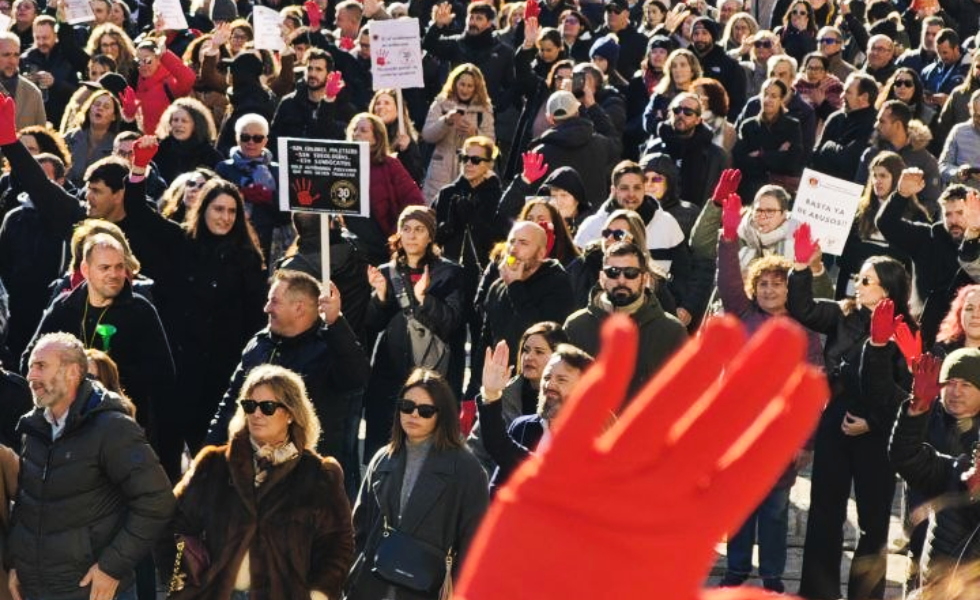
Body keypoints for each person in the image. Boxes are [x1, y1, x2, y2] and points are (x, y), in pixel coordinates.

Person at [162, 364, 353, 600]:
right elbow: (173, 525)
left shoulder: (319, 474)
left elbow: (337, 544)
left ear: (291, 413)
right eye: (249, 405)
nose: (256, 414)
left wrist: (319, 594)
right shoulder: (214, 464)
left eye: (268, 407)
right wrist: (185, 580)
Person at [9, 332, 174, 600]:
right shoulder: (33, 428)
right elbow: (28, 503)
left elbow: (157, 500)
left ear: (73, 372)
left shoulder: (113, 428)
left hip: (95, 592)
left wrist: (112, 567)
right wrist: (17, 564)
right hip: (39, 589)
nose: (30, 377)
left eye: (41, 366)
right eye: (30, 368)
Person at [790, 245, 914, 600]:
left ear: (887, 290)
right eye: (858, 278)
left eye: (866, 281)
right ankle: (817, 592)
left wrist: (872, 423)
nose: (857, 285)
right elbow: (804, 309)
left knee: (874, 523)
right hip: (837, 417)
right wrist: (802, 268)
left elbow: (905, 391)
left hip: (879, 430)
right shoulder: (844, 313)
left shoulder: (906, 328)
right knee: (824, 512)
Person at [715, 196, 822, 593]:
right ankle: (737, 568)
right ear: (752, 288)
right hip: (738, 431)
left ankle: (773, 575)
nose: (770, 289)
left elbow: (812, 384)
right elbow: (727, 279)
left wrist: (805, 440)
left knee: (775, 510)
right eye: (763, 283)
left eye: (778, 283)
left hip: (781, 434)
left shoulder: (803, 329)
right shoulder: (742, 315)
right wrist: (728, 238)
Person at [206, 269, 370, 499]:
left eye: (274, 301)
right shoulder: (259, 344)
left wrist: (336, 323)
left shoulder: (329, 348)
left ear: (299, 307)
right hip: (254, 476)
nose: (266, 308)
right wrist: (209, 453)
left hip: (308, 484)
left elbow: (356, 377)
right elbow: (231, 404)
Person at [347, 369, 490, 600]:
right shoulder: (383, 457)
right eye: (407, 406)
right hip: (371, 586)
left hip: (428, 589)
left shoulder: (467, 470)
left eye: (425, 411)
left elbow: (475, 544)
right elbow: (359, 528)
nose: (414, 415)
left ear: (442, 415)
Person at [170, 179, 267, 463]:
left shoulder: (247, 258)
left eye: (232, 211)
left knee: (213, 448)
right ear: (203, 209)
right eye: (218, 209)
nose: (225, 217)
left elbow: (254, 319)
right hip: (182, 363)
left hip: (223, 368)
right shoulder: (183, 244)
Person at [363, 206, 465, 463]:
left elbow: (452, 322)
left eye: (419, 230)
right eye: (406, 229)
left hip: (434, 374)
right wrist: (380, 296)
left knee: (431, 449)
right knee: (388, 450)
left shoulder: (449, 272)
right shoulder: (386, 271)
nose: (411, 236)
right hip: (391, 374)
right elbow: (372, 325)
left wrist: (423, 299)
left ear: (430, 236)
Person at [888, 350, 980, 595]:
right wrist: (916, 409)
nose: (956, 391)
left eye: (966, 385)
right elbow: (907, 458)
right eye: (950, 383)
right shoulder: (956, 471)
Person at [564, 240, 686, 395]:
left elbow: (684, 394)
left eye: (631, 273)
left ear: (645, 279)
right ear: (602, 278)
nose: (621, 280)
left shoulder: (671, 331)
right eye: (613, 272)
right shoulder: (576, 326)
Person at [466, 321, 567, 475]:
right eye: (525, 350)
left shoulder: (570, 401)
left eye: (539, 352)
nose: (528, 357)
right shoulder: (502, 394)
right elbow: (476, 450)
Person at [345, 113, 425, 265]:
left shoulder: (390, 165)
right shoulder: (343, 165)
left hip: (381, 246)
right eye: (354, 130)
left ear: (377, 138)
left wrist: (397, 235)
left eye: (363, 130)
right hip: (350, 247)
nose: (356, 134)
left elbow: (415, 202)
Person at [529, 90, 620, 211]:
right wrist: (592, 106)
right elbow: (615, 141)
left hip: (557, 223)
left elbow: (531, 196)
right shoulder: (601, 143)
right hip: (593, 223)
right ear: (577, 112)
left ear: (549, 118)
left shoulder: (539, 153)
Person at [215, 113, 287, 264]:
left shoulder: (278, 171)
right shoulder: (224, 168)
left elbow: (286, 214)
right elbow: (215, 204)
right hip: (233, 236)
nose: (251, 143)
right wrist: (240, 194)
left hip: (269, 239)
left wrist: (268, 197)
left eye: (257, 138)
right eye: (245, 137)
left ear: (266, 141)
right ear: (237, 138)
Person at [421, 63, 496, 202]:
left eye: (470, 86)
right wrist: (446, 121)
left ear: (476, 88)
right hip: (440, 172)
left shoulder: (484, 109)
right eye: (462, 84)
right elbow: (427, 135)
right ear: (455, 83)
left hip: (471, 171)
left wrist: (475, 134)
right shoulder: (440, 103)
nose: (465, 89)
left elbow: (491, 144)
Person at [732, 77, 804, 200]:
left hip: (780, 192)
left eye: (773, 96)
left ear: (781, 100)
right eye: (765, 94)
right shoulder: (748, 126)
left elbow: (793, 162)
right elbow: (741, 162)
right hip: (751, 191)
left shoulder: (792, 126)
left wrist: (761, 154)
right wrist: (777, 154)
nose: (767, 99)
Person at [810, 72, 878, 181]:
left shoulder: (874, 123)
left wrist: (828, 146)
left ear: (864, 97)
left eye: (848, 92)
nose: (842, 96)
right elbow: (816, 156)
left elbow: (849, 161)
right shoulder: (836, 118)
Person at [131, 37, 197, 135]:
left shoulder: (169, 83)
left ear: (158, 60)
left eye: (147, 60)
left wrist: (165, 55)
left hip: (167, 145)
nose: (142, 65)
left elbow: (189, 79)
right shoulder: (136, 84)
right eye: (138, 61)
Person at [152, 97, 223, 186]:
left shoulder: (210, 156)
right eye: (175, 120)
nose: (179, 124)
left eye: (184, 121)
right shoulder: (160, 151)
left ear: (196, 125)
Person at [63, 89, 122, 186]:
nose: (100, 108)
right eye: (97, 104)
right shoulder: (69, 138)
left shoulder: (117, 145)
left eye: (106, 107)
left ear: (114, 117)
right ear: (89, 109)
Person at [370, 88, 425, 185]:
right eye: (378, 103)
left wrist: (407, 151)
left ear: (398, 110)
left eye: (387, 103)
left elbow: (416, 176)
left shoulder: (406, 140)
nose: (381, 106)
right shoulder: (367, 134)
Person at [0, 31, 44, 130]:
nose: (12, 61)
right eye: (6, 55)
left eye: (16, 55)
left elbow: (42, 138)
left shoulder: (33, 92)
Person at [939, 89, 980, 190]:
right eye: (978, 116)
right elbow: (943, 166)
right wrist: (959, 173)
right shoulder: (959, 131)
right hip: (964, 195)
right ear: (970, 108)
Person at [794, 52, 843, 126]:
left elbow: (838, 119)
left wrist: (822, 103)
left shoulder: (835, 88)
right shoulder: (797, 86)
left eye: (817, 69)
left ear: (825, 72)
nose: (813, 72)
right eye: (810, 68)